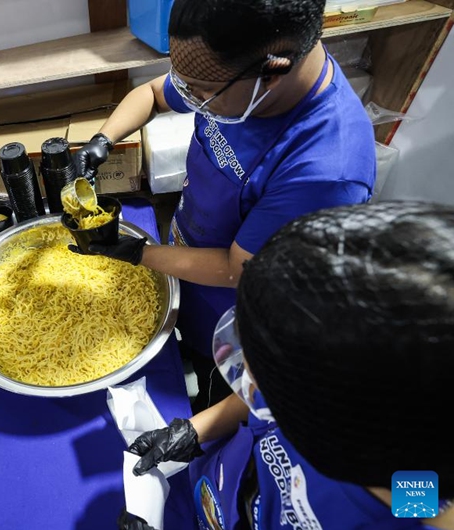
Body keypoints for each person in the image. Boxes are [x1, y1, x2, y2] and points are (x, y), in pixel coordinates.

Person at [74, 0, 376, 411]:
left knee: (214, 384)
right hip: (184, 255)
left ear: (273, 71)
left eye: (199, 91)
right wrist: (102, 142)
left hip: (234, 313)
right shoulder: (230, 77)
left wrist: (137, 253)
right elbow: (152, 94)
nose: (189, 97)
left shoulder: (326, 170)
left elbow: (238, 270)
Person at [118, 201, 454, 529]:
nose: (250, 384)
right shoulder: (333, 387)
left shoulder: (414, 501)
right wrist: (195, 431)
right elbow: (262, 400)